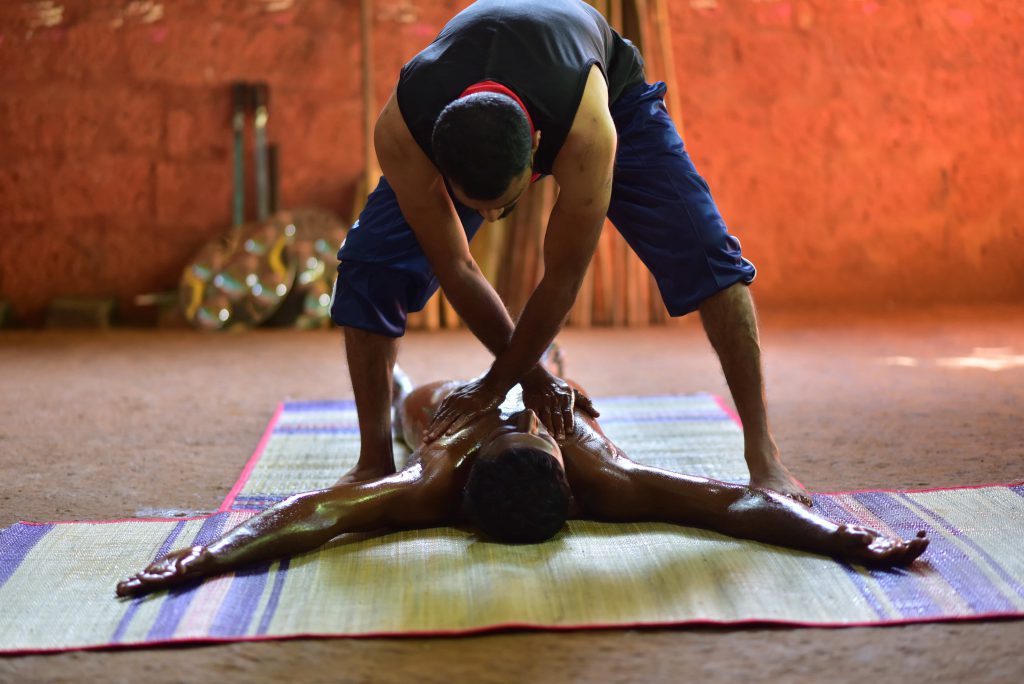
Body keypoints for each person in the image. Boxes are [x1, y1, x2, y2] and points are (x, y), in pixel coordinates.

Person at [329, 0, 807, 504]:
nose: (492, 220)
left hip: (599, 87)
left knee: (712, 259)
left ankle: (763, 454)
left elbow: (560, 279)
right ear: (440, 166)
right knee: (368, 269)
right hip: (489, 89)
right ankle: (372, 461)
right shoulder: (405, 130)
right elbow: (456, 265)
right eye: (479, 208)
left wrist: (495, 386)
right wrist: (529, 376)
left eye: (506, 204)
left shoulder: (588, 129)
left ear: (538, 146)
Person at [116, 366, 927, 598]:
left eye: (534, 431)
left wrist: (201, 559)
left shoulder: (431, 479)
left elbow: (313, 511)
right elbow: (739, 503)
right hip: (496, 410)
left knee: (415, 398)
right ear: (577, 497)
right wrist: (842, 537)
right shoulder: (604, 477)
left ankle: (408, 369)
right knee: (550, 378)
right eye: (529, 433)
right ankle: (542, 362)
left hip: (444, 411)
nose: (525, 420)